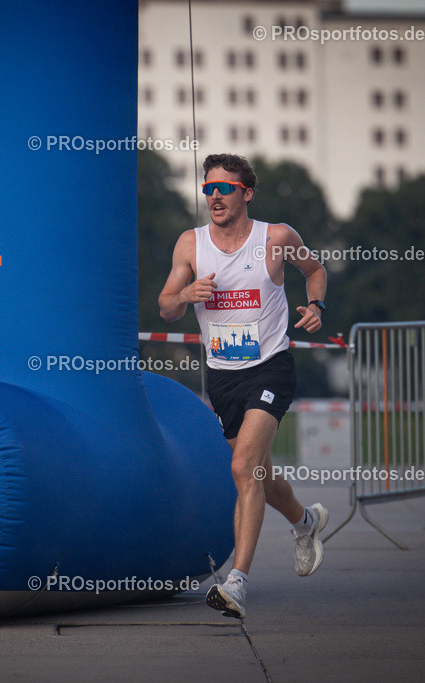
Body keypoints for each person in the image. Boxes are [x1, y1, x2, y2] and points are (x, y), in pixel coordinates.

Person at [158, 154, 328, 619]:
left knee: (242, 466)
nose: (214, 195)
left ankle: (237, 583)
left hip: (270, 367)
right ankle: (306, 522)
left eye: (224, 188)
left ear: (246, 193)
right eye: (208, 188)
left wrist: (316, 306)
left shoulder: (275, 238)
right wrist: (183, 296)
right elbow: (166, 306)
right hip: (223, 377)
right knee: (260, 476)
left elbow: (314, 270)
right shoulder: (190, 245)